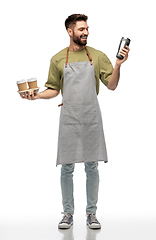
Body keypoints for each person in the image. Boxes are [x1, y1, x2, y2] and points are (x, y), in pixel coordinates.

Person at [20, 14, 130, 229]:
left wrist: (118, 65)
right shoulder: (58, 58)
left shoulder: (97, 56)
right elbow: (53, 89)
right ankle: (67, 213)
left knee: (92, 166)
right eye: (81, 29)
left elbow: (112, 85)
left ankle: (92, 213)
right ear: (70, 31)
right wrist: (37, 96)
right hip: (69, 117)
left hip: (91, 117)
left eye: (87, 28)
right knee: (66, 168)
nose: (85, 32)